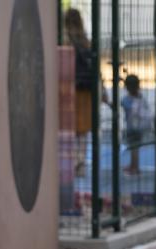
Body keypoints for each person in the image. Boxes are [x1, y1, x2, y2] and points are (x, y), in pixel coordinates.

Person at [64, 8, 96, 178]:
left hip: (69, 88)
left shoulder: (65, 40)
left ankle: (72, 160)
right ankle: (81, 160)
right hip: (85, 89)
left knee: (69, 126)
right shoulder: (85, 41)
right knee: (83, 129)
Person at [120, 74, 152, 176]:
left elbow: (122, 104)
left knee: (134, 148)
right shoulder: (141, 97)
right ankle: (133, 166)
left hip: (132, 127)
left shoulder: (127, 99)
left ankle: (135, 168)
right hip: (140, 127)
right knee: (135, 148)